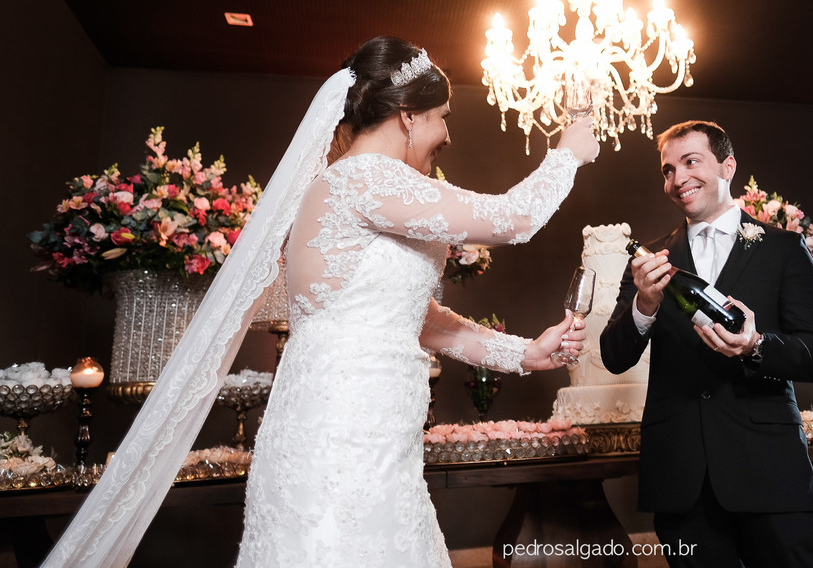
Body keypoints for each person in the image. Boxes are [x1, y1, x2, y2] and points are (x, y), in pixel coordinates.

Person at [43, 36, 600, 568]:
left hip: (368, 427)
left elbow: (419, 318)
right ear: (408, 114)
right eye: (442, 116)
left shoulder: (349, 185)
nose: (447, 134)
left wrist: (523, 353)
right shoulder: (365, 179)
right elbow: (513, 220)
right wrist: (567, 155)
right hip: (346, 430)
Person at [600, 120, 813, 567]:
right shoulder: (651, 261)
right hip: (681, 476)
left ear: (728, 167)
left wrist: (755, 345)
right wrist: (644, 304)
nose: (678, 178)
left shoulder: (785, 248)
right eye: (668, 170)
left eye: (691, 162)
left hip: (769, 467)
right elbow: (614, 357)